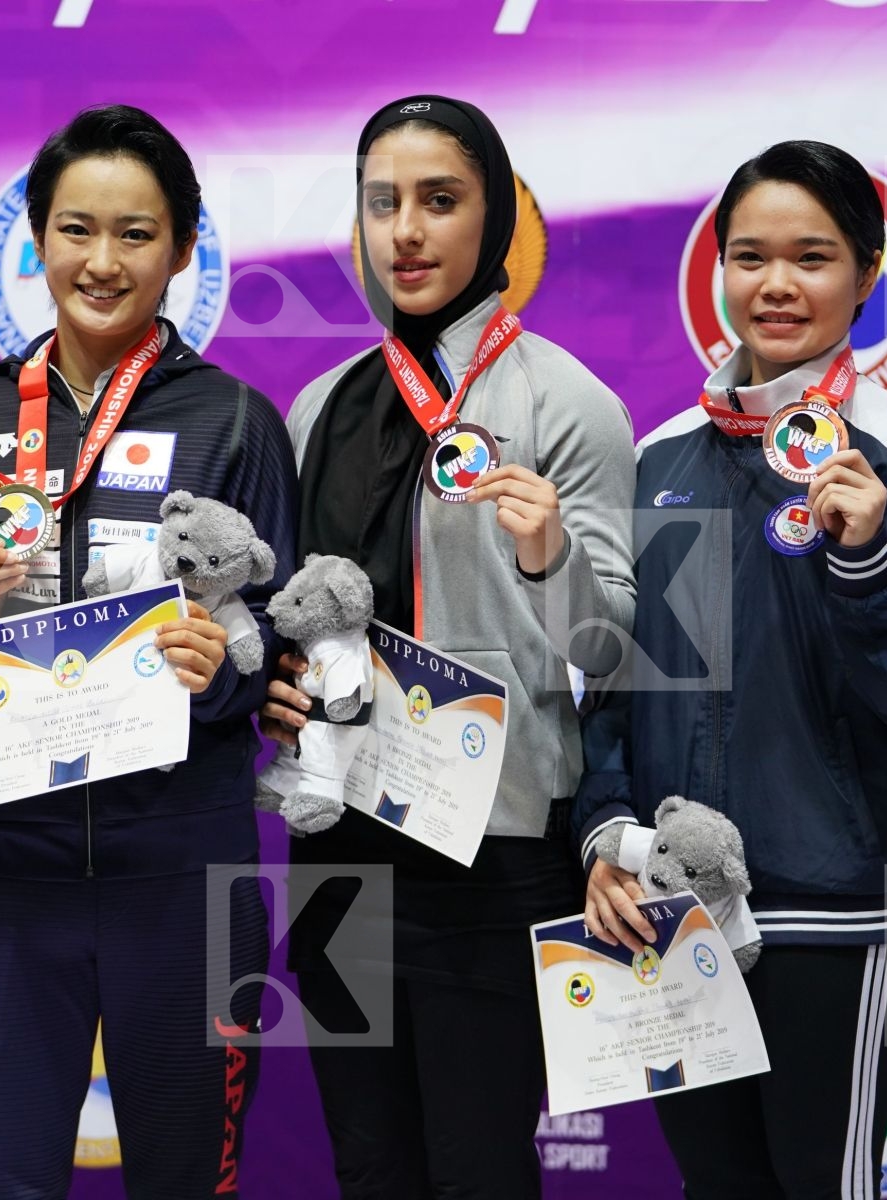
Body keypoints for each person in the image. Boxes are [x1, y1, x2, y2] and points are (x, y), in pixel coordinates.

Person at [572, 140, 887, 1199]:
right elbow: (622, 682)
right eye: (750, 256)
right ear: (717, 268)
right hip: (678, 900)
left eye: (811, 257)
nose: (776, 284)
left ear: (866, 272)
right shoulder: (663, 457)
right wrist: (608, 832)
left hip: (835, 905)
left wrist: (867, 562)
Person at [0, 104, 299, 1198]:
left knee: (187, 1178)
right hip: (6, 872)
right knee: (0, 1181)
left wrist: (223, 670)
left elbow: (281, 637)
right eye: (77, 229)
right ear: (37, 239)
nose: (103, 261)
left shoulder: (236, 423)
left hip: (184, 872)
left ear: (182, 247)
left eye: (136, 233)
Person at [258, 94, 636, 1198]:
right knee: (371, 1166)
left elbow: (612, 646)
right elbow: (298, 615)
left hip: (496, 855)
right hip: (340, 853)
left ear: (495, 218)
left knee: (478, 1170)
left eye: (440, 200)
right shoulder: (319, 405)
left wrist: (550, 556)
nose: (408, 231)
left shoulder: (568, 402)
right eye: (383, 203)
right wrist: (281, 691)